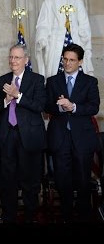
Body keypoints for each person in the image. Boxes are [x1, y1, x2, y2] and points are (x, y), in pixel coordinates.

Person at [0, 43, 47, 223]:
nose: (13, 61)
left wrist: (18, 95)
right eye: (11, 57)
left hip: (29, 137)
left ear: (26, 60)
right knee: (7, 181)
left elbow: (40, 106)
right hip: (7, 136)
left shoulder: (37, 79)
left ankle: (30, 217)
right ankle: (9, 217)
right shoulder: (2, 80)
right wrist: (6, 99)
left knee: (30, 182)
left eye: (17, 57)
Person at [44, 43, 100, 222]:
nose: (67, 63)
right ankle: (67, 216)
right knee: (63, 181)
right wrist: (60, 108)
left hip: (82, 139)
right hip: (60, 138)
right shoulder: (53, 81)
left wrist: (73, 106)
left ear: (80, 62)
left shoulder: (90, 82)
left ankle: (83, 217)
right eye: (65, 59)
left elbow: (94, 107)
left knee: (83, 181)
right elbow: (46, 106)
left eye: (72, 60)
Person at [35, 0, 94, 79]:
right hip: (55, 44)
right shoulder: (48, 3)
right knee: (54, 78)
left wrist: (85, 39)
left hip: (75, 42)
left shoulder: (77, 2)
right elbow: (42, 24)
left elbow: (84, 25)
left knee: (80, 78)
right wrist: (42, 37)